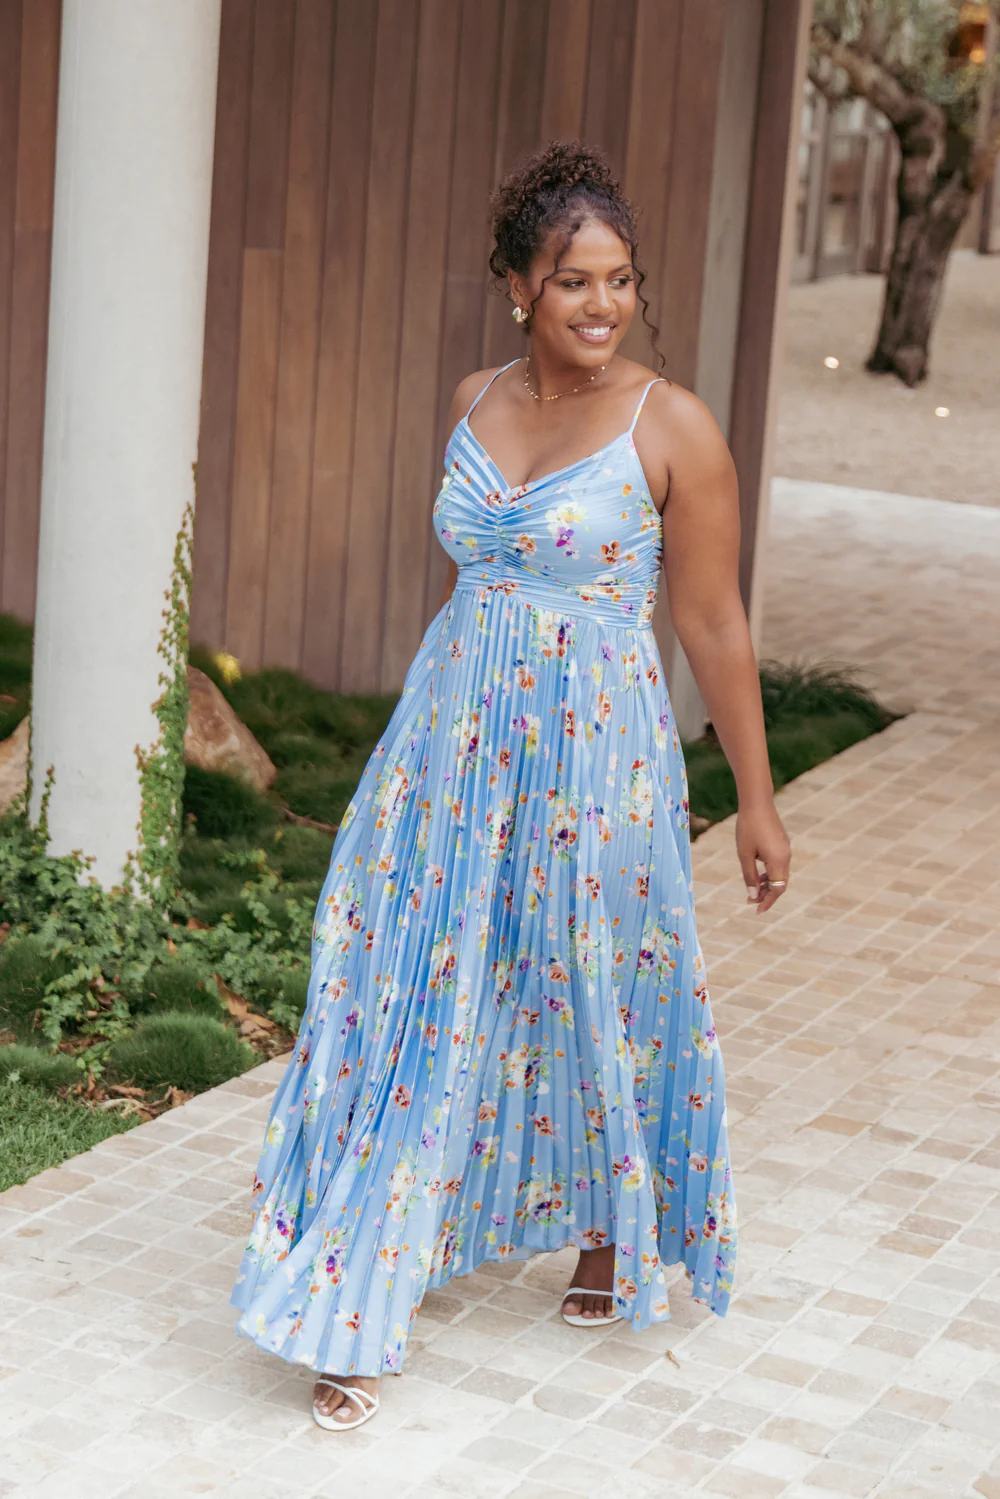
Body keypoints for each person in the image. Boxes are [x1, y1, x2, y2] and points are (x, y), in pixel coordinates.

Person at [231, 140, 791, 1432]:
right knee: (405, 985)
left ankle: (607, 1223)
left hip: (598, 757)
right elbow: (473, 587)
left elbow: (713, 623)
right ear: (517, 287)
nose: (602, 304)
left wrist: (757, 800)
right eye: (573, 280)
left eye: (620, 279)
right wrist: (443, 734)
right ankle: (359, 1283)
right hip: (451, 748)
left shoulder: (673, 427)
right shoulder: (473, 395)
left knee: (586, 976)